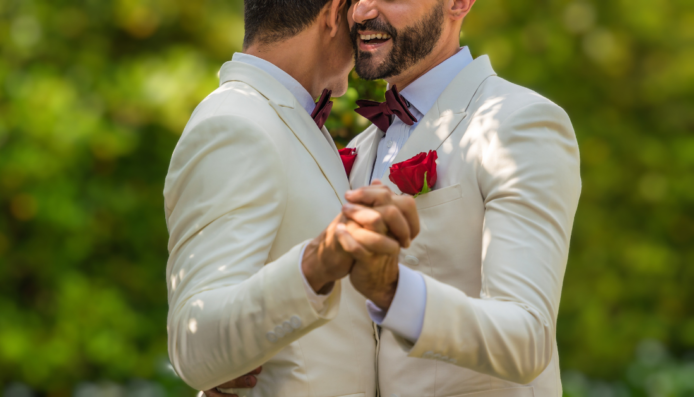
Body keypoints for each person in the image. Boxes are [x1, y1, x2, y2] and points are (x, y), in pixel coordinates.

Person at [225, 0, 582, 396]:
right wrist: (236, 364)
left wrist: (392, 291)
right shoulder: (357, 150)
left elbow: (527, 341)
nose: (361, 11)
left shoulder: (518, 122)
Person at [163, 0, 420, 396]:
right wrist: (317, 263)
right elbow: (195, 344)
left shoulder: (288, 121)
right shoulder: (235, 123)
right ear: (335, 13)